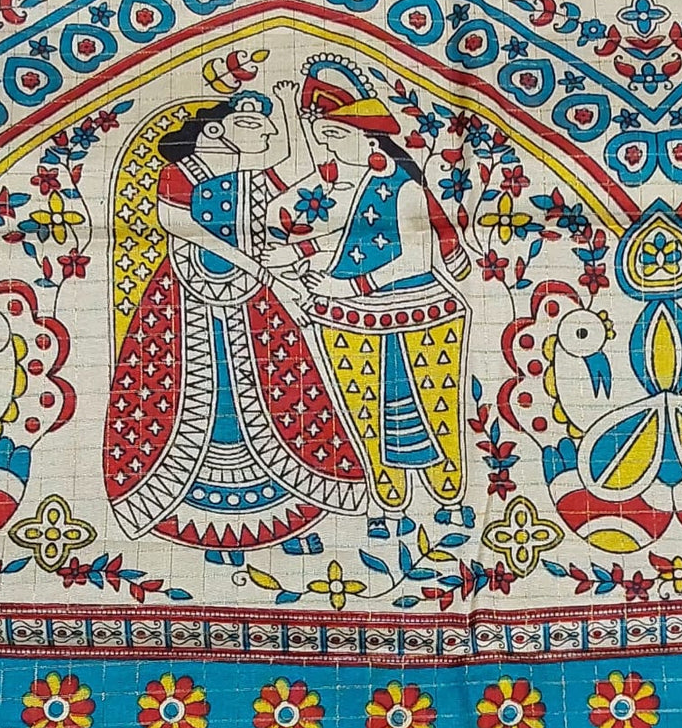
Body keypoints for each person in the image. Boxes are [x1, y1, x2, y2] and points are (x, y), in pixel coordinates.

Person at [103, 85, 367, 557]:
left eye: (266, 126)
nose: (265, 134)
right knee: (178, 398)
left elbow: (295, 172)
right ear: (214, 131)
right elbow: (184, 229)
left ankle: (288, 518)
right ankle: (189, 527)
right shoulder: (178, 174)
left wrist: (289, 108)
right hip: (184, 306)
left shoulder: (252, 179)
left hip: (252, 307)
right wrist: (260, 270)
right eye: (251, 124)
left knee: (282, 396)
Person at [266, 56, 472, 515]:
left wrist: (350, 287)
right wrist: (301, 257)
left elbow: (416, 258)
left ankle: (446, 479)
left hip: (414, 306)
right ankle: (383, 478)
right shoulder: (349, 181)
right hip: (351, 310)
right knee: (364, 402)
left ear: (370, 138)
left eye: (336, 137)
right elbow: (341, 238)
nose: (329, 149)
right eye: (325, 138)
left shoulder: (404, 188)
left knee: (428, 400)